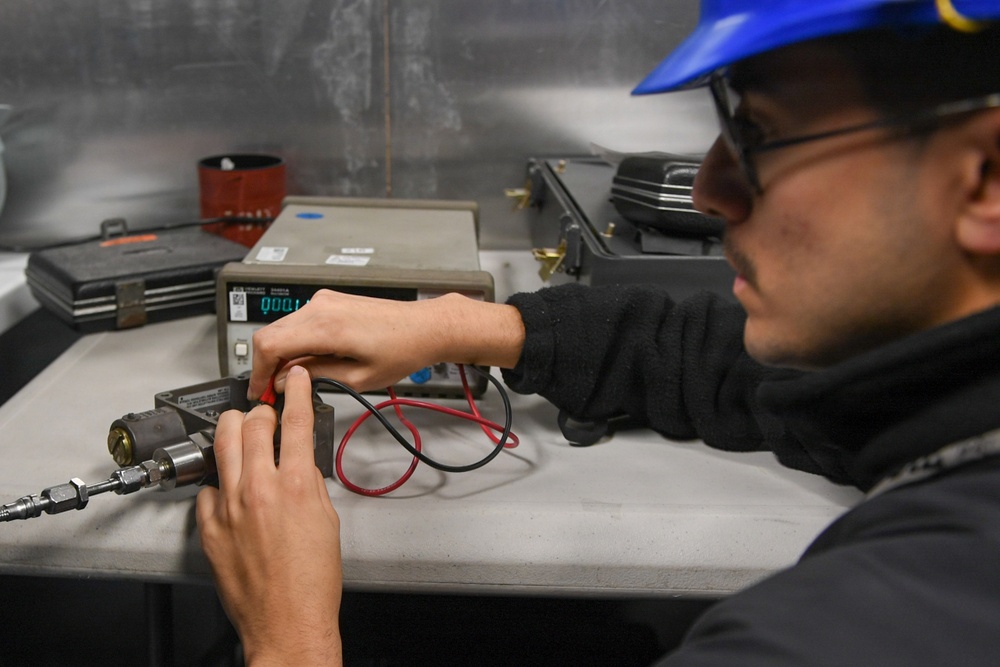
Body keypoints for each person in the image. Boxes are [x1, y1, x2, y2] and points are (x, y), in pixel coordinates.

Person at [196, 0, 1000, 664]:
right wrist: (459, 323)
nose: (712, 187)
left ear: (985, 178)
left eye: (760, 134)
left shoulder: (869, 626)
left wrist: (289, 637)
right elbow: (705, 358)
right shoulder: (936, 391)